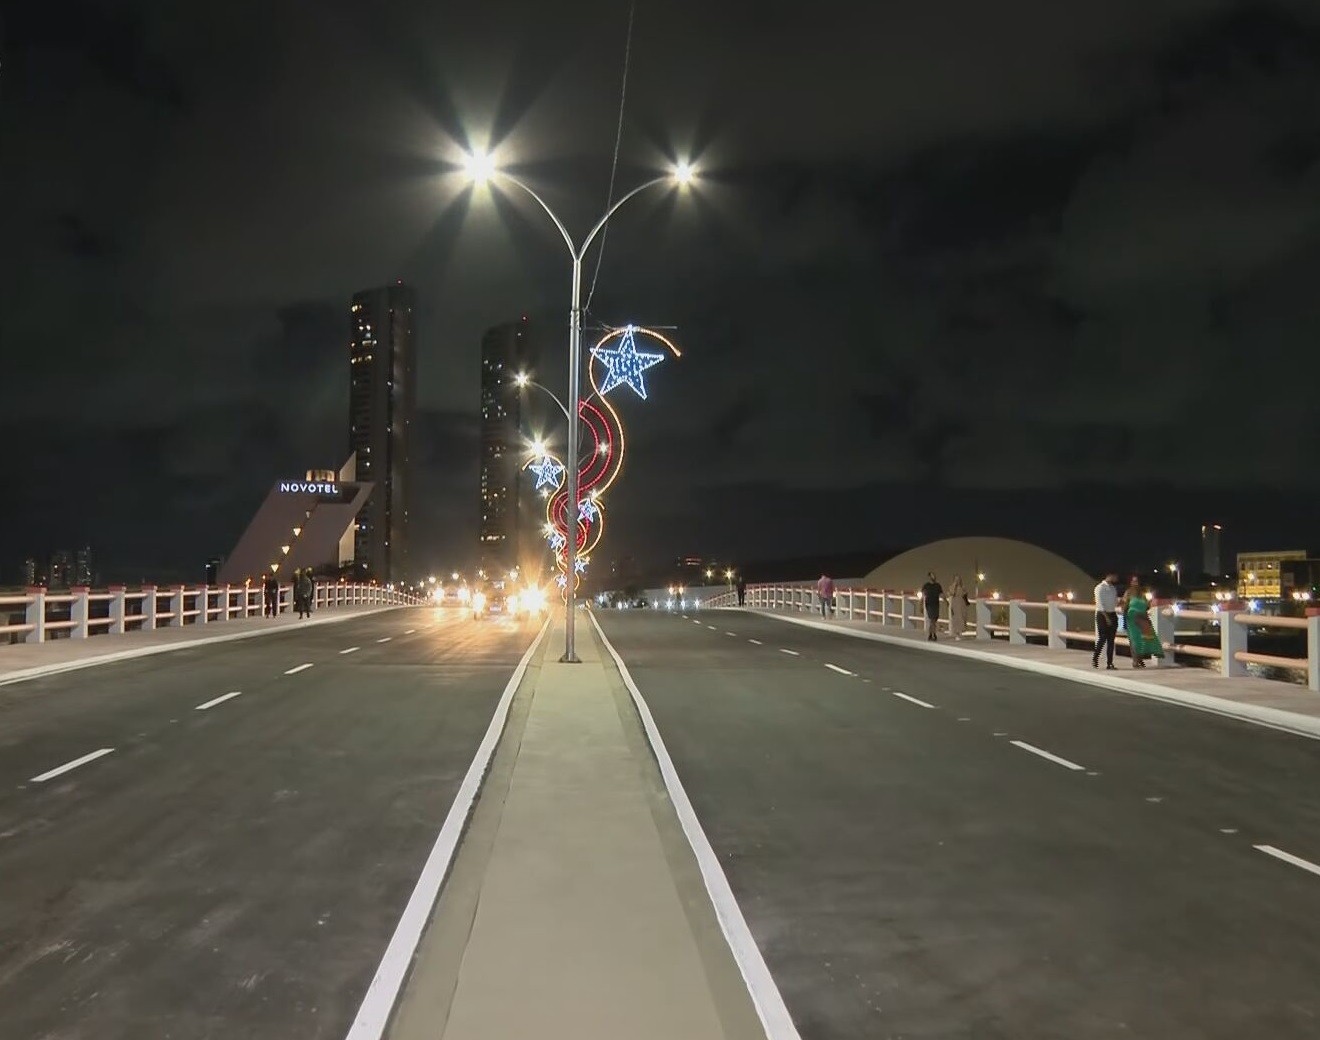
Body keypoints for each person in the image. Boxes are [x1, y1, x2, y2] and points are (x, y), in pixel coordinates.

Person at [1122, 577, 1164, 669]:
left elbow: (1147, 606)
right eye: (1133, 581)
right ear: (1131, 582)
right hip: (1133, 617)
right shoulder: (1128, 592)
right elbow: (1124, 606)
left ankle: (1139, 659)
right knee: (1134, 639)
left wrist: (1149, 603)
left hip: (1143, 616)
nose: (1135, 583)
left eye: (1137, 581)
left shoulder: (1143, 594)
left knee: (1144, 639)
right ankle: (1135, 661)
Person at [1091, 572, 1119, 669]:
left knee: (1111, 640)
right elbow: (1099, 604)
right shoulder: (1100, 588)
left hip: (1112, 613)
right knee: (1102, 638)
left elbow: (1115, 602)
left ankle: (1109, 663)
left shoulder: (1113, 588)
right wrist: (1107, 618)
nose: (1116, 578)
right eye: (1114, 576)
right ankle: (1095, 658)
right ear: (1109, 576)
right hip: (1102, 614)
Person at [920, 571, 943, 641]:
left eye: (934, 575)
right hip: (929, 604)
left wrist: (947, 601)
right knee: (932, 619)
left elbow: (941, 594)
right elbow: (922, 596)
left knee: (934, 620)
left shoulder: (937, 585)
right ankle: (934, 634)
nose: (934, 577)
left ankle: (930, 634)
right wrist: (921, 605)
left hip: (936, 604)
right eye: (932, 575)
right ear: (929, 577)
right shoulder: (926, 586)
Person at [948, 575, 968, 640]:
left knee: (963, 617)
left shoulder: (963, 587)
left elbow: (965, 594)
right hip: (955, 603)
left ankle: (960, 632)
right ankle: (957, 633)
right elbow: (952, 593)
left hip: (962, 603)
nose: (957, 581)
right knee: (956, 618)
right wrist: (954, 586)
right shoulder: (952, 587)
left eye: (958, 579)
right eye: (956, 579)